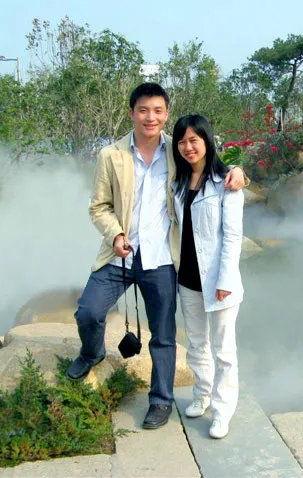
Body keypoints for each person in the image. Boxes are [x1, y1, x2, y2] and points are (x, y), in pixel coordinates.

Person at [66, 83, 246, 431]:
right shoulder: (111, 155)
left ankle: (161, 400)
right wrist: (115, 234)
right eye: (144, 110)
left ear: (166, 114)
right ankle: (91, 352)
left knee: (163, 335)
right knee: (88, 311)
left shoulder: (175, 152)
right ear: (132, 112)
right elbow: (98, 206)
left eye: (158, 110)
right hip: (120, 254)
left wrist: (238, 171)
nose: (151, 117)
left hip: (162, 258)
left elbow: (209, 164)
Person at [172, 114, 244, 439]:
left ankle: (222, 410)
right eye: (182, 141)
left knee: (224, 349)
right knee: (197, 343)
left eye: (194, 140)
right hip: (188, 279)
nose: (188, 147)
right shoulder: (177, 182)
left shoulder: (226, 182)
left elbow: (233, 236)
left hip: (218, 281)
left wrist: (225, 280)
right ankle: (201, 394)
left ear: (207, 141)